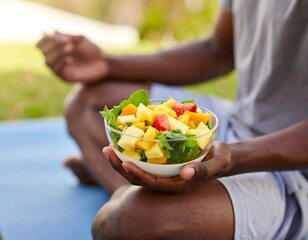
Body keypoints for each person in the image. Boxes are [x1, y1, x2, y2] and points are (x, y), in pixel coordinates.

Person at [37, 0, 308, 239]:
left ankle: (121, 189)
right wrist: (108, 64)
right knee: (86, 103)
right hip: (240, 122)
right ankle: (133, 185)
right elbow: (217, 51)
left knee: (126, 223)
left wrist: (234, 158)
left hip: (294, 169)